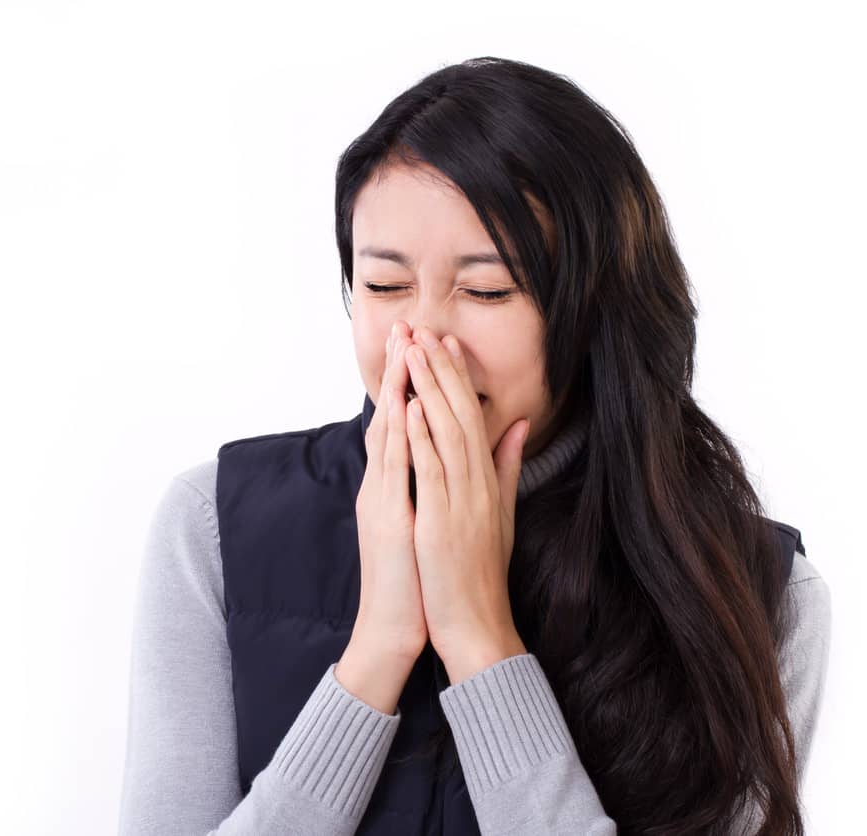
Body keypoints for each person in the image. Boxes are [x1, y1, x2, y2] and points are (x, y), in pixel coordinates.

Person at [117, 56, 831, 835]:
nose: (423, 338)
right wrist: (376, 655)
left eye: (488, 290)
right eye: (385, 286)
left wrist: (478, 637)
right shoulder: (213, 526)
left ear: (597, 308)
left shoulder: (758, 594)